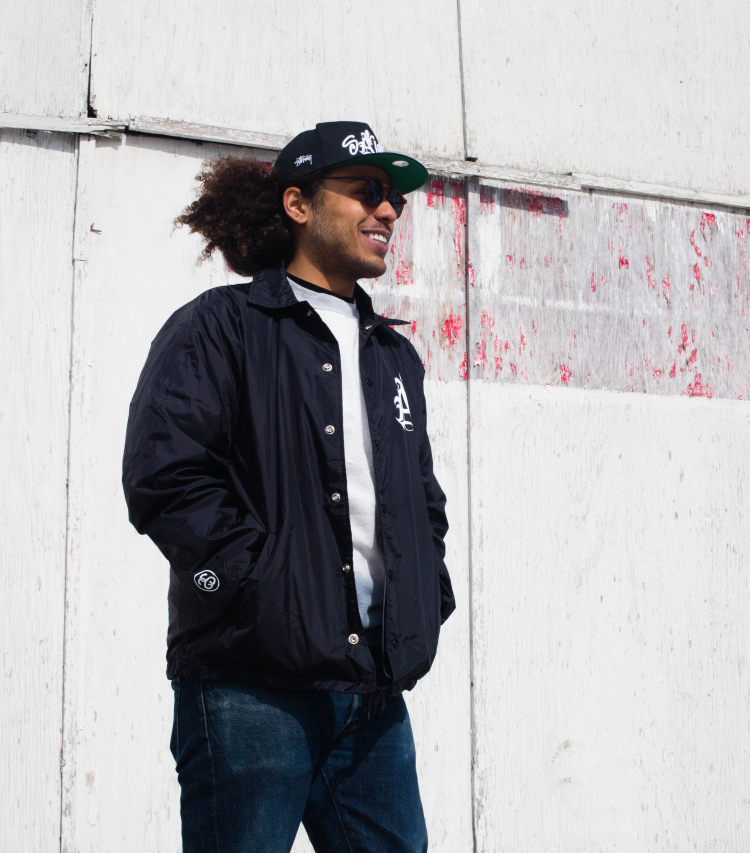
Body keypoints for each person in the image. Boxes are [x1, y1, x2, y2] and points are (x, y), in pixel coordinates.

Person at [122, 120, 455, 853]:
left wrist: (426, 593)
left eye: (394, 197)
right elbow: (164, 476)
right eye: (365, 190)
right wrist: (246, 584)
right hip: (250, 687)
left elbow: (419, 500)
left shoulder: (393, 356)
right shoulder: (220, 327)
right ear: (298, 204)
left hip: (372, 694)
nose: (388, 209)